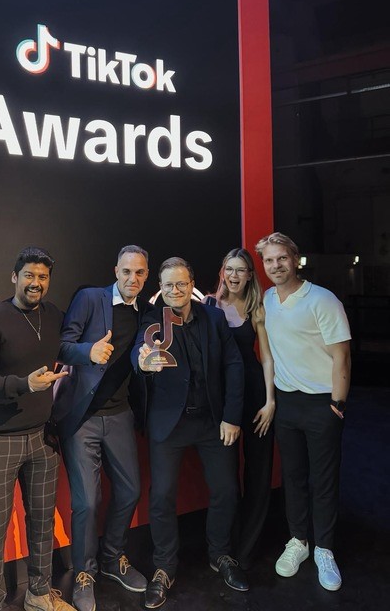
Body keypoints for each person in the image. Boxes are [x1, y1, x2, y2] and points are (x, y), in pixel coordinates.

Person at [0, 246, 74, 611]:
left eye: (42, 276)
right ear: (14, 277)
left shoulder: (53, 315)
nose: (35, 283)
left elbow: (67, 349)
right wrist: (24, 384)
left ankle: (39, 595)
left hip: (41, 439)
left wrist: (89, 352)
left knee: (42, 525)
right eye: (29, 275)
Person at [133, 256, 248, 609]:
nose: (175, 290)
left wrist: (232, 417)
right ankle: (164, 567)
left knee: (226, 490)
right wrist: (144, 363)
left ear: (192, 284)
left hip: (213, 422)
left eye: (181, 283)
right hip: (169, 423)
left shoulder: (214, 318)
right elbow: (141, 356)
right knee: (162, 497)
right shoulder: (152, 321)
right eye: (168, 285)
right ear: (160, 288)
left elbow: (234, 365)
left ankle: (220, 554)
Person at [53, 245, 151, 611]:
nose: (132, 278)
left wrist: (146, 363)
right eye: (127, 271)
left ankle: (112, 558)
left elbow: (143, 352)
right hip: (83, 416)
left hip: (120, 414)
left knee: (130, 491)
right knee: (87, 502)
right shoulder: (90, 299)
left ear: (147, 275)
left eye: (139, 272)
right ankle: (84, 572)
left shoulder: (147, 312)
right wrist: (88, 352)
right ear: (116, 271)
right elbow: (62, 346)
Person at [255, 232, 351, 592]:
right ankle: (299, 541)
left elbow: (342, 356)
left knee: (323, 481)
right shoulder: (268, 299)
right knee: (293, 478)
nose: (276, 265)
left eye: (282, 258)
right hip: (287, 403)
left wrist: (337, 404)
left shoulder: (322, 300)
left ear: (295, 260)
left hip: (322, 403)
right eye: (269, 260)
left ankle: (324, 549)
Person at [203, 248, 275, 568]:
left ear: (249, 275)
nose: (234, 275)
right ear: (223, 272)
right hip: (224, 401)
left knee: (258, 472)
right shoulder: (209, 305)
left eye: (240, 270)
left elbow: (267, 358)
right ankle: (226, 547)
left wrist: (271, 401)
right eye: (229, 269)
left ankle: (247, 548)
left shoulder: (257, 307)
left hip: (256, 395)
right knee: (227, 477)